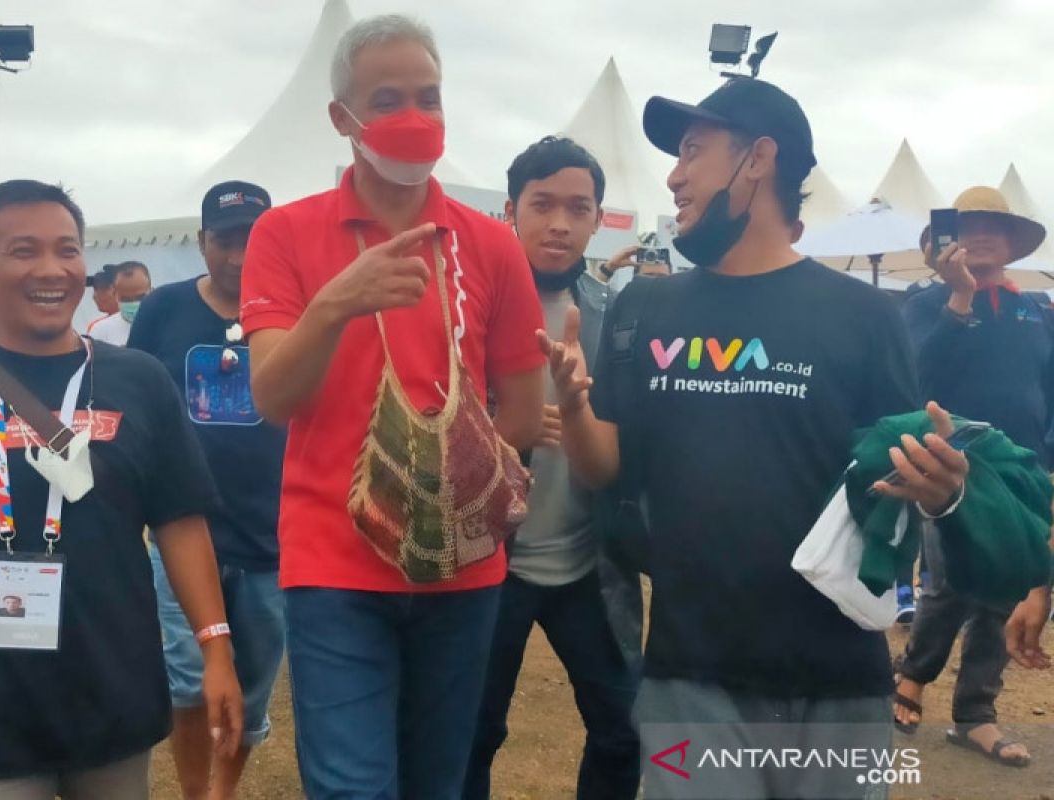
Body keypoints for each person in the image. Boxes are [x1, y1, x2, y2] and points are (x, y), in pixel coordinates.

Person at [541, 77, 962, 799]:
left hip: (840, 679)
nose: (674, 175)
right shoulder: (649, 306)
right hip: (690, 675)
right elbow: (606, 468)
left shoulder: (863, 314)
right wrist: (577, 411)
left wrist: (940, 489)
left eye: (693, 151)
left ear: (758, 159)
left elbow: (893, 478)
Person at [0, 180, 243, 800]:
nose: (51, 269)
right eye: (23, 251)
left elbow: (179, 521)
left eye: (67, 250)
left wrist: (216, 648)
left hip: (111, 684)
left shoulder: (138, 381)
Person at [241, 15, 544, 799]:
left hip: (461, 565)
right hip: (334, 562)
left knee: (436, 783)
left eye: (429, 96)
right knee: (351, 786)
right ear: (343, 120)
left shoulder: (490, 243)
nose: (415, 117)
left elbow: (520, 408)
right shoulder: (285, 233)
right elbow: (273, 397)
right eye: (387, 99)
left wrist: (447, 486)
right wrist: (335, 305)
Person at [463, 136, 641, 800]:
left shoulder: (616, 318)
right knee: (476, 731)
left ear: (598, 218)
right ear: (511, 209)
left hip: (590, 564)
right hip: (491, 562)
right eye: (542, 204)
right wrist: (496, 423)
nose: (560, 223)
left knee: (624, 728)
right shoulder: (472, 308)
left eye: (579, 207)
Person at [128, 180, 286, 800]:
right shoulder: (164, 310)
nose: (240, 256)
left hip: (275, 537)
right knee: (188, 681)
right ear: (201, 243)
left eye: (255, 239)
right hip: (182, 531)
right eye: (225, 240)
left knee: (250, 683)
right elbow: (133, 402)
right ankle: (197, 793)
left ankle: (224, 791)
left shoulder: (296, 313)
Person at [893, 186, 1054, 768]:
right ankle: (912, 676)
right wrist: (958, 297)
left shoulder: (1037, 311)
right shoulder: (922, 303)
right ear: (946, 241)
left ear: (1013, 243)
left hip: (1024, 469)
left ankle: (975, 716)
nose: (982, 235)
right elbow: (916, 379)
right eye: (968, 225)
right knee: (950, 578)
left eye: (995, 226)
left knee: (1009, 586)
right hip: (950, 461)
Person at [90, 261, 150, 346]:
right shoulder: (100, 331)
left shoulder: (168, 325)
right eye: (126, 299)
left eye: (139, 297)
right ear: (115, 295)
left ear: (152, 291)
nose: (133, 303)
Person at [85, 265, 118, 334]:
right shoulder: (96, 327)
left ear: (113, 290)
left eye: (97, 289)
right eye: (94, 290)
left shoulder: (140, 323)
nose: (94, 296)